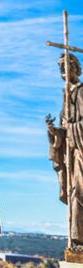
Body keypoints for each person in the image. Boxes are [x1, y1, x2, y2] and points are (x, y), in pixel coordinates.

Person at [46, 52, 83, 244]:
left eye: (65, 66)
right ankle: (77, 239)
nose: (62, 70)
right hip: (73, 153)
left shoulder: (81, 91)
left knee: (79, 192)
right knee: (74, 192)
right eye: (60, 67)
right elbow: (64, 130)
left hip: (81, 152)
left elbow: (79, 125)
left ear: (75, 68)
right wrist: (55, 132)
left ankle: (79, 239)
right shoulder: (67, 94)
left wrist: (71, 128)